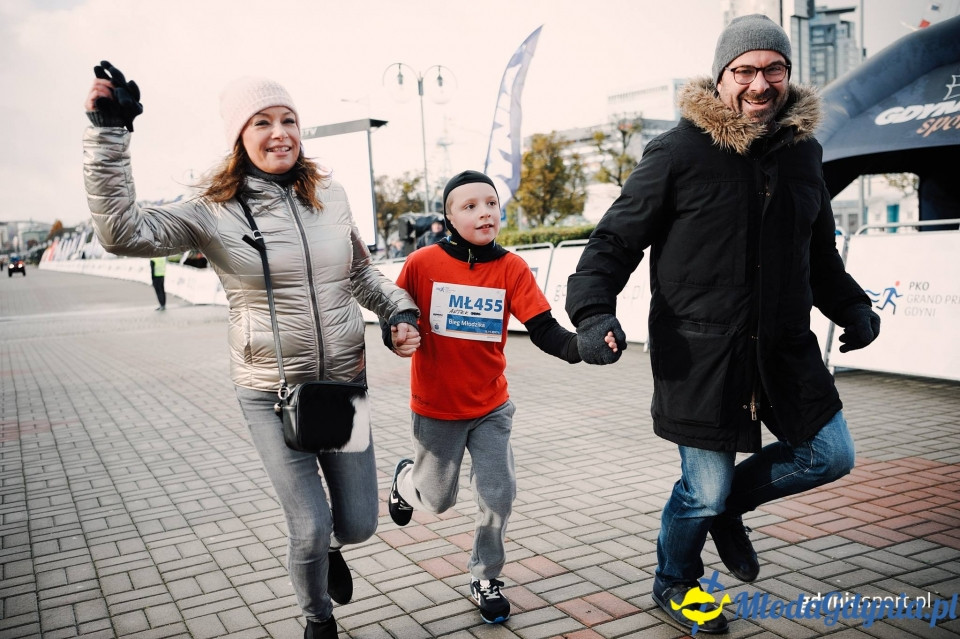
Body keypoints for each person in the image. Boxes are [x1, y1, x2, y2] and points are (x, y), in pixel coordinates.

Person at [565, 15, 880, 635]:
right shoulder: (679, 150)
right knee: (702, 491)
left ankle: (728, 507)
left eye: (773, 70)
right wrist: (593, 310)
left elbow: (820, 255)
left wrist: (852, 307)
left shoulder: (804, 154)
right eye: (745, 71)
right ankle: (675, 581)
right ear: (721, 76)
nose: (760, 84)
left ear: (788, 75)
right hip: (703, 353)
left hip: (784, 348)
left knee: (830, 455)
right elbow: (613, 242)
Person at [83, 62, 421, 639]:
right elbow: (120, 232)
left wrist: (399, 311)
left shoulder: (332, 196)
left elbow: (361, 274)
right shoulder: (212, 210)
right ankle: (319, 619)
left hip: (342, 387)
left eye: (288, 118)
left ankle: (331, 552)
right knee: (310, 527)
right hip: (270, 393)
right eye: (261, 122)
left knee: (359, 524)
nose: (279, 132)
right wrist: (109, 134)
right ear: (239, 138)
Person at [384, 170, 615, 624]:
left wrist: (581, 348)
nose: (484, 211)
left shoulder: (511, 268)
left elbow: (545, 331)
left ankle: (485, 575)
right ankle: (405, 481)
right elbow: (397, 319)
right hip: (437, 408)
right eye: (469, 206)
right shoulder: (422, 264)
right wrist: (398, 338)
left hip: (491, 405)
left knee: (499, 494)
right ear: (448, 218)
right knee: (436, 500)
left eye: (489, 202)